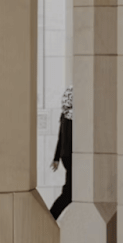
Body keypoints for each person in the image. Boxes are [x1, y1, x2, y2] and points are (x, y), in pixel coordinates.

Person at [48, 87, 75, 221]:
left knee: (69, 192)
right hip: (73, 157)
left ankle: (50, 217)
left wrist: (56, 158)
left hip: (67, 157)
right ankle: (50, 218)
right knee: (68, 194)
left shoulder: (65, 114)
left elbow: (60, 138)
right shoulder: (73, 116)